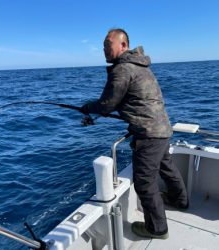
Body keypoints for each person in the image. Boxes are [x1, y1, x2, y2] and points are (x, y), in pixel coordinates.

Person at [80, 28, 188, 239]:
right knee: (166, 166)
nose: (104, 49)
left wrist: (87, 108)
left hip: (148, 134)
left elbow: (107, 104)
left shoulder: (122, 69)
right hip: (163, 129)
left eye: (107, 45)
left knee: (144, 182)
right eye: (102, 46)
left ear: (123, 45)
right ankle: (180, 200)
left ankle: (157, 229)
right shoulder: (141, 66)